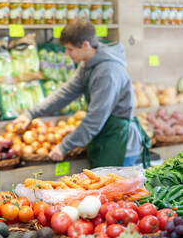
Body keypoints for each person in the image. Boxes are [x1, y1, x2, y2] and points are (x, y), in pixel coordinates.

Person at [14, 19, 151, 168]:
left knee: (118, 190)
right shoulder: (88, 64)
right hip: (104, 137)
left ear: (85, 45)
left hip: (120, 144)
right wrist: (30, 114)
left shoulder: (107, 72)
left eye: (70, 49)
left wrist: (64, 146)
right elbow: (65, 93)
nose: (66, 54)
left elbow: (95, 118)